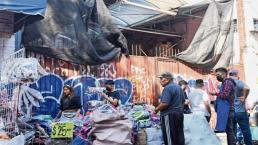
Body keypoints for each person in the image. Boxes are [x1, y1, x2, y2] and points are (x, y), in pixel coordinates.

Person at [154, 72, 185, 145]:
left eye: (161, 78)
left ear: (167, 79)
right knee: (179, 136)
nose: (160, 80)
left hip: (169, 115)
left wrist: (156, 110)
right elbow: (183, 101)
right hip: (179, 113)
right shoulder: (178, 87)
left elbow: (165, 103)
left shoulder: (167, 88)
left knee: (169, 138)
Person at [210, 67, 236, 145]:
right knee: (229, 130)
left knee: (230, 130)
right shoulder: (224, 83)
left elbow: (225, 95)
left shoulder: (227, 82)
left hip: (228, 109)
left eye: (218, 74)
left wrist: (215, 94)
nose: (217, 76)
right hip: (226, 109)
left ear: (224, 74)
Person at [229, 69, 253, 145]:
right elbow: (247, 88)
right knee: (245, 131)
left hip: (231, 111)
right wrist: (244, 97)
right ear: (236, 75)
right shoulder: (238, 82)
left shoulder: (225, 83)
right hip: (240, 111)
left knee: (232, 131)